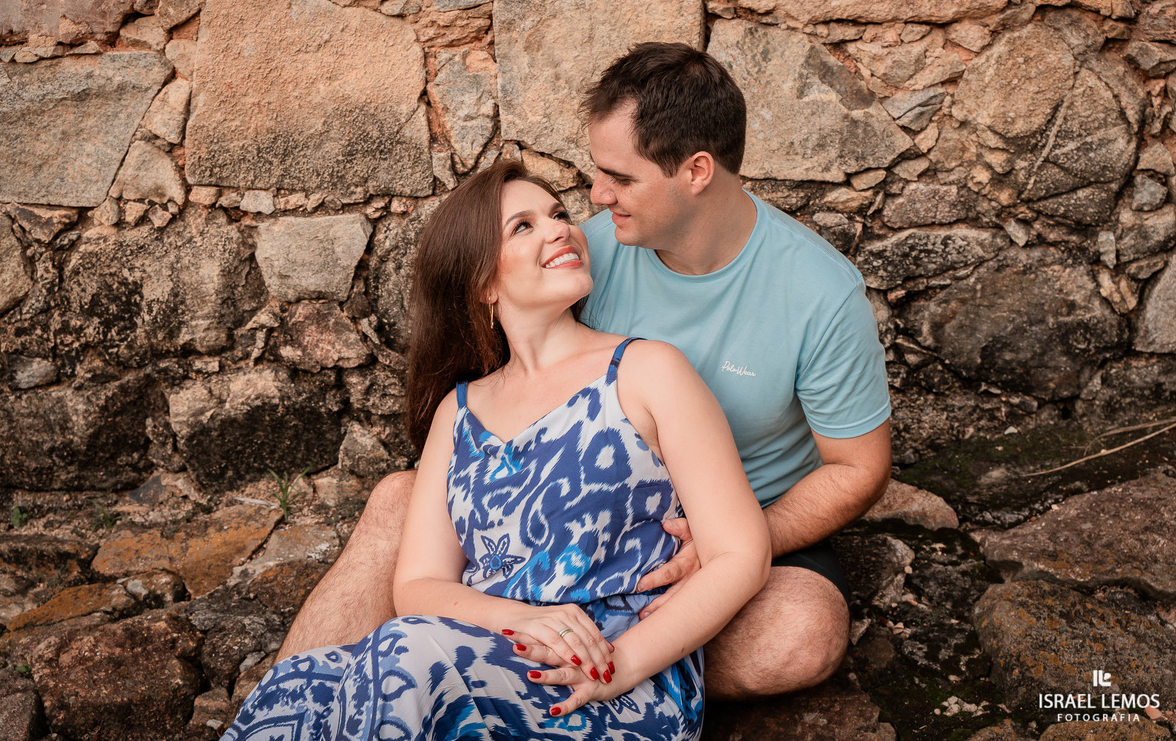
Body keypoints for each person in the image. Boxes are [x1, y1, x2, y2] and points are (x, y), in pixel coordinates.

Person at [276, 42, 892, 700]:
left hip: (751, 523)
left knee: (802, 633)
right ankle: (287, 708)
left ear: (696, 171)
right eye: (595, 175)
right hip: (586, 515)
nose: (596, 197)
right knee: (400, 499)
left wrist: (728, 542)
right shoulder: (582, 256)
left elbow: (859, 468)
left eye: (620, 179)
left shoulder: (819, 293)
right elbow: (507, 388)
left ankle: (574, 676)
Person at [223, 161, 770, 739]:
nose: (560, 229)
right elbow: (420, 585)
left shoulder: (647, 371)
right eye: (523, 227)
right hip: (488, 646)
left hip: (611, 675)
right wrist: (518, 617)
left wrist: (621, 666)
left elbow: (741, 553)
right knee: (301, 683)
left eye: (558, 215)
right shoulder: (458, 412)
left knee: (407, 656)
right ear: (484, 283)